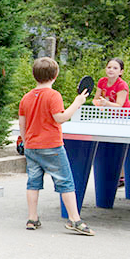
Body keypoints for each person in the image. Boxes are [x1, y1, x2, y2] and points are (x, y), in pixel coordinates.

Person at [18, 57, 94, 235]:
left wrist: (26, 141)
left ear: (34, 75)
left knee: (33, 183)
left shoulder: (26, 97)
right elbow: (60, 118)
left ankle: (32, 218)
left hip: (31, 146)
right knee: (66, 182)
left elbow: (22, 123)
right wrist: (77, 102)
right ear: (56, 75)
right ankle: (75, 219)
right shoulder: (54, 96)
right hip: (51, 146)